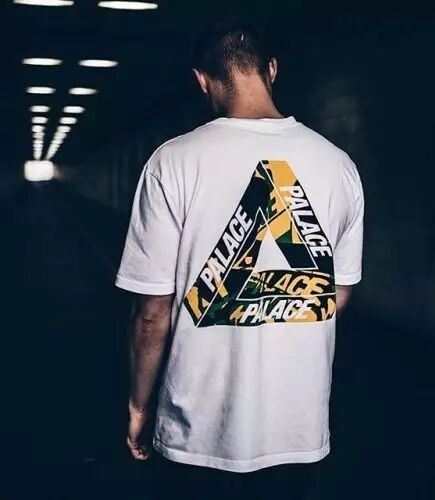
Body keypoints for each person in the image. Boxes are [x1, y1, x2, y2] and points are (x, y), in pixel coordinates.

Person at [115, 17, 365, 499]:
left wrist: (139, 406)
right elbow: (337, 293)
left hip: (196, 435)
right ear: (272, 70)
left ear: (201, 80)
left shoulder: (172, 162)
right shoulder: (339, 165)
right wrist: (279, 306)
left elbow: (151, 313)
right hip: (298, 432)